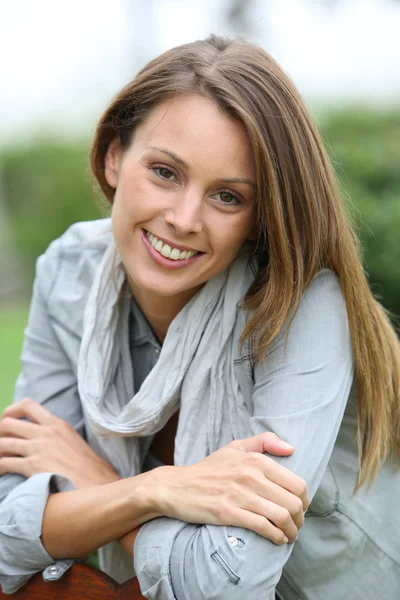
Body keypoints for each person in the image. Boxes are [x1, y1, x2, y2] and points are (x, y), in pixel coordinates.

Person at [0, 34, 399, 600]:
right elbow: (5, 530)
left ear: (261, 218)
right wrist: (159, 490)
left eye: (228, 197)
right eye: (164, 172)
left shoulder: (298, 307)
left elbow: (226, 586)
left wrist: (98, 485)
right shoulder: (70, 273)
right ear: (115, 156)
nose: (184, 219)